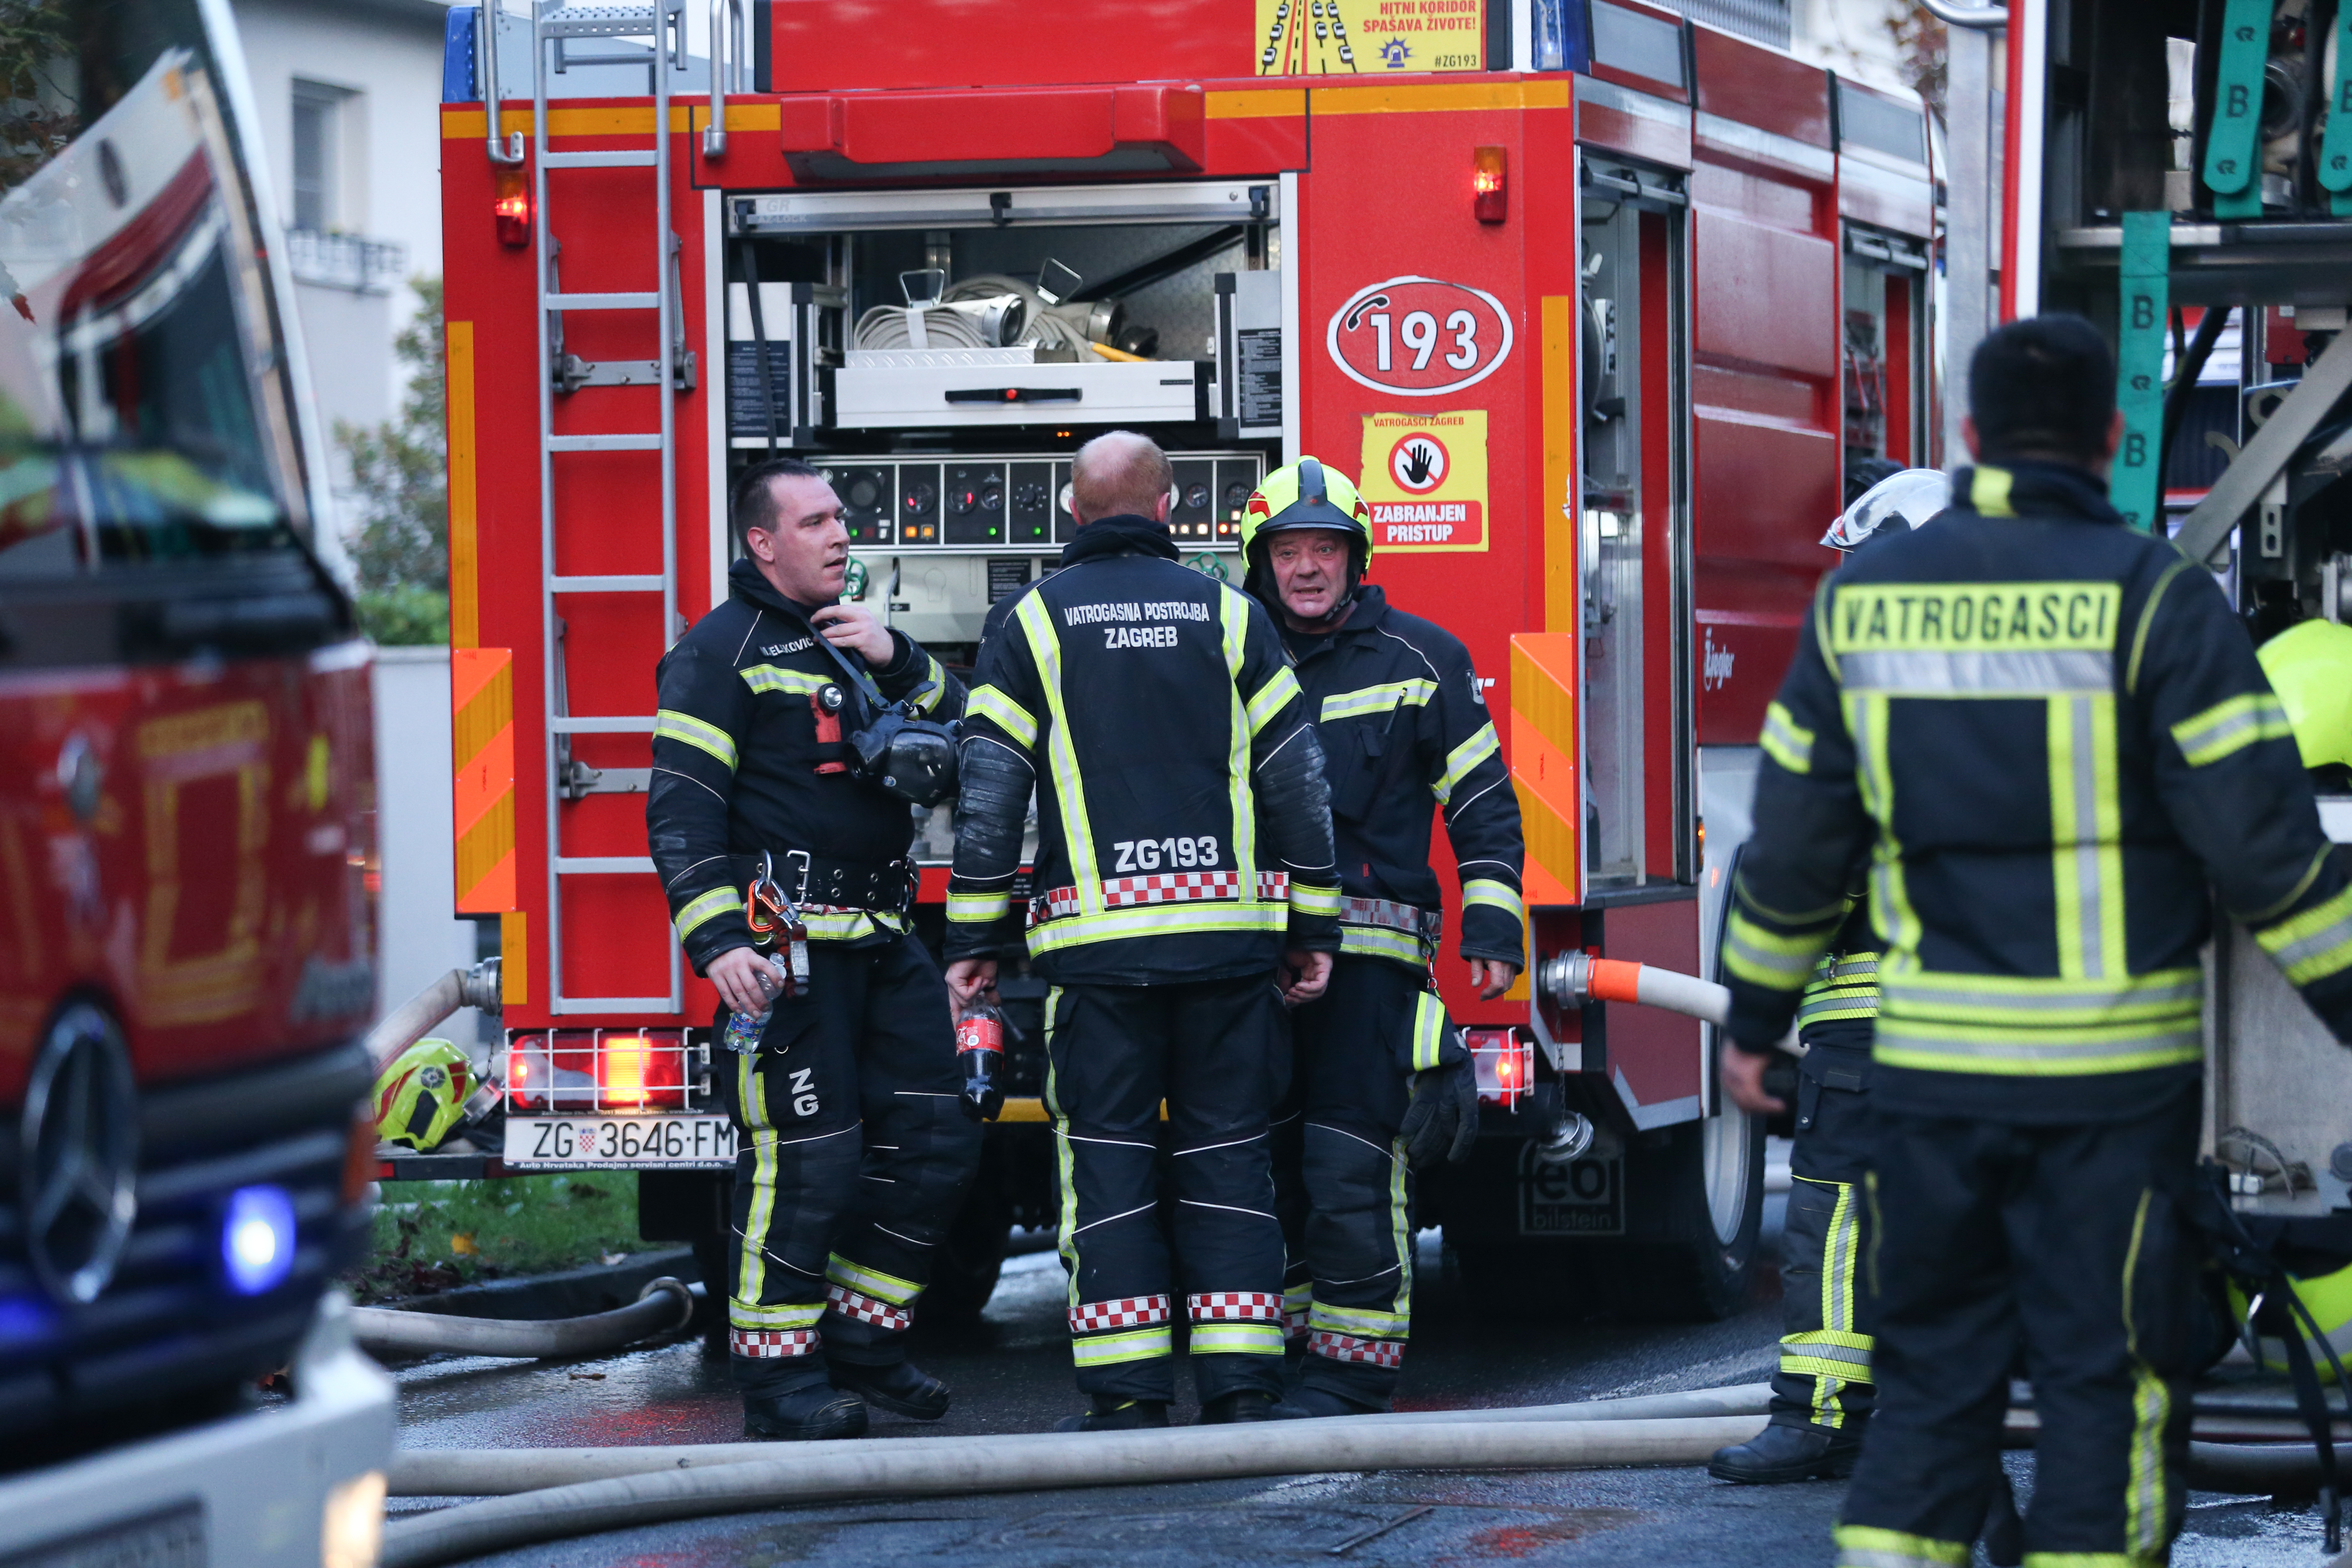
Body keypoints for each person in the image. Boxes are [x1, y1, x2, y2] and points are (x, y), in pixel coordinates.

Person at [1716, 316, 2352, 1566]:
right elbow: (2269, 856)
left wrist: (1751, 1018)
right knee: (2105, 1395)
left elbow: (1792, 848)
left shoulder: (1866, 606)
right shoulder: (2155, 598)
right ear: (2110, 438)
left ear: (1969, 435)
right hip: (2111, 1098)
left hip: (1931, 1086)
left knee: (1929, 1395)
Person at [941, 430, 1342, 1430]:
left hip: (1098, 960)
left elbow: (989, 795)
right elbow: (1298, 781)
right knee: (1230, 1159)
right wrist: (1315, 924)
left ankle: (1126, 1396)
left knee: (1109, 1165)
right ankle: (1242, 1388)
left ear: (1072, 513)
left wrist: (973, 940)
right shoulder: (1233, 614)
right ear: (1169, 511)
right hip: (1229, 952)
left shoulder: (1030, 622)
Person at [646, 457, 983, 1442]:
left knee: (938, 1140)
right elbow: (681, 808)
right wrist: (717, 941)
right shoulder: (718, 652)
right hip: (784, 956)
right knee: (807, 1167)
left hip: (883, 941)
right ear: (762, 542)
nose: (841, 534)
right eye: (816, 522)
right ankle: (781, 1382)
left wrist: (899, 656)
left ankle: (865, 1338)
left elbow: (972, 728)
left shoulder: (852, 643)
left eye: (841, 518)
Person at [1233, 456, 1521, 1416]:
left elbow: (1481, 800)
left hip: (1370, 968)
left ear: (1357, 560)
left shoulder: (1422, 657)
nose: (1307, 567)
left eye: (1326, 548)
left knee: (1348, 1162)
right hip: (1251, 961)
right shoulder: (1226, 656)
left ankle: (1351, 1371)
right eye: (1288, 550)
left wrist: (1493, 921)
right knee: (1256, 1164)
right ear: (1260, 561)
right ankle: (1275, 1355)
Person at [1709, 463, 1952, 1485]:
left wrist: (1755, 1008)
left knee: (1842, 1218)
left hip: (1875, 1022)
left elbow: (1811, 869)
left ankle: (1821, 1416)